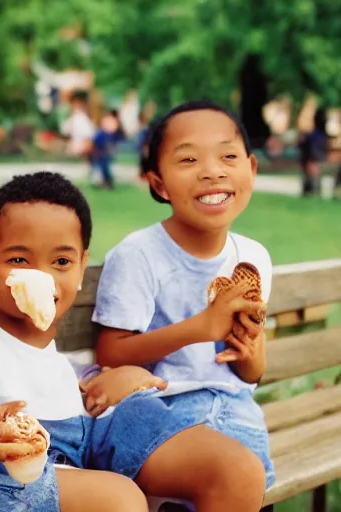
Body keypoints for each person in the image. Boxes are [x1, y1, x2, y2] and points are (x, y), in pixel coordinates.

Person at [0, 172, 186, 512]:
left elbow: (62, 390)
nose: (41, 277)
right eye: (18, 260)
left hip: (62, 470)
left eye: (61, 262)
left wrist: (112, 381)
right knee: (123, 499)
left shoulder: (59, 362)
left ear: (82, 268)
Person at [94, 100, 274, 510]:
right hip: (156, 408)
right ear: (159, 184)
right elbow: (111, 352)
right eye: (189, 159)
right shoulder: (139, 254)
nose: (212, 170)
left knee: (245, 475)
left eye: (228, 156)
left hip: (233, 408)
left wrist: (248, 349)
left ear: (251, 169)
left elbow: (251, 373)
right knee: (233, 476)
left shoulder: (253, 257)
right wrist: (202, 327)